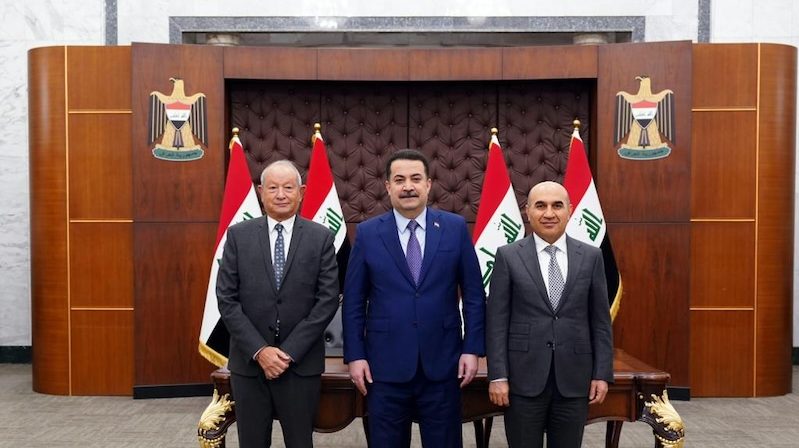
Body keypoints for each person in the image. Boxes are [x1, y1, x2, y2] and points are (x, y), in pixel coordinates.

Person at [342, 149, 486, 448]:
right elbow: (354, 301)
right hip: (384, 367)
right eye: (400, 179)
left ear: (429, 184)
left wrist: (472, 348)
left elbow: (473, 294)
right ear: (387, 186)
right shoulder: (368, 233)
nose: (408, 186)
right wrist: (355, 356)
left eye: (415, 178)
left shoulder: (454, 228)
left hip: (443, 364)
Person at [217, 160, 339, 448]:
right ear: (261, 192)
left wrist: (286, 352)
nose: (281, 194)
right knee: (252, 442)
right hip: (250, 364)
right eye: (273, 187)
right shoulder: (238, 236)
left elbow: (327, 300)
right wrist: (260, 351)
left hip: (299, 364)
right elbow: (227, 299)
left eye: (288, 187)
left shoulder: (320, 237)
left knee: (299, 441)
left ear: (302, 192)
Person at [486, 180, 614, 448]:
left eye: (557, 205)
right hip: (522, 380)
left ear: (570, 210)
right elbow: (496, 322)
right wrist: (498, 376)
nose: (549, 213)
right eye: (540, 206)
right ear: (527, 211)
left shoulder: (591, 257)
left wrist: (602, 373)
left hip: (574, 379)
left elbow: (600, 322)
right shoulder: (508, 256)